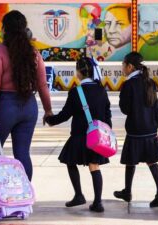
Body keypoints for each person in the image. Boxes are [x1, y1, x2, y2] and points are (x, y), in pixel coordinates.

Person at [0, 10, 52, 183]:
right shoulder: (34, 54)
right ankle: (24, 198)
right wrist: (48, 110)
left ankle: (2, 195)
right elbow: (43, 85)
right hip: (29, 107)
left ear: (4, 29)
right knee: (22, 152)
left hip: (4, 107)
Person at [45, 57, 111, 213]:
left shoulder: (76, 91)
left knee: (69, 161)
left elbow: (65, 115)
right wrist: (107, 131)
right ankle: (98, 202)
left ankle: (79, 195)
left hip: (80, 135)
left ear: (80, 72)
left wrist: (50, 120)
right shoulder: (101, 90)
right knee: (94, 166)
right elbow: (107, 114)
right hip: (97, 136)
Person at [113, 52, 158, 208]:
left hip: (135, 130)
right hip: (150, 130)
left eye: (123, 65)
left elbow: (125, 109)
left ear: (130, 66)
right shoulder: (149, 82)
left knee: (130, 161)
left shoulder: (128, 85)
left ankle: (128, 191)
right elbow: (157, 108)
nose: (122, 68)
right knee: (152, 162)